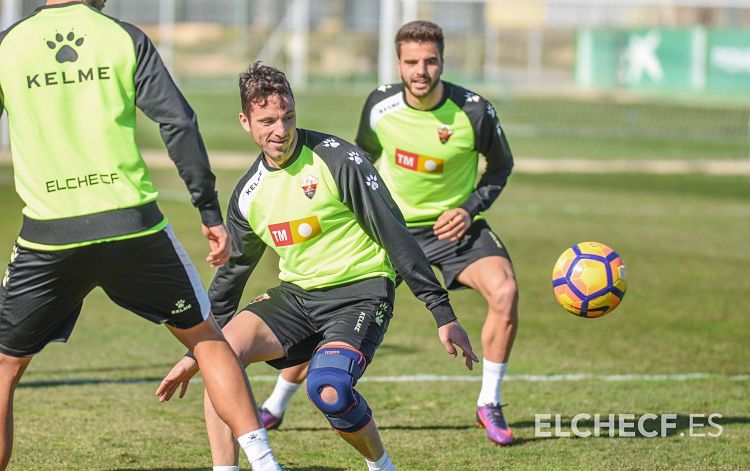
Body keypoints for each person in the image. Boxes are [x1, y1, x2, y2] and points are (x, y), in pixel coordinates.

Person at [155, 62, 477, 471]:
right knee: (220, 354)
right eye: (267, 120)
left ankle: (382, 466)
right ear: (245, 121)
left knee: (330, 389)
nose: (281, 130)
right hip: (298, 296)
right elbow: (234, 274)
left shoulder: (338, 160)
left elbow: (395, 234)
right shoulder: (248, 195)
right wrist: (195, 349)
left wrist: (441, 312)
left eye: (288, 117)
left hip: (361, 291)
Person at [0, 2, 281, 470]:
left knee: (4, 369)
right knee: (206, 339)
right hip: (131, 225)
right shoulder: (122, 37)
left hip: (50, 233)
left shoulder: (9, 45)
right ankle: (265, 463)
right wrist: (209, 211)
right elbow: (178, 122)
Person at [257, 20, 518, 446]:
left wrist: (469, 209)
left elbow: (501, 166)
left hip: (455, 229)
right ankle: (275, 403)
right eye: (412, 61)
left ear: (442, 62)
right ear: (398, 63)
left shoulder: (474, 110)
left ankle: (489, 402)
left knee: (505, 291)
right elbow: (357, 162)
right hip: (389, 229)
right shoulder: (379, 104)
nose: (421, 71)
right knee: (331, 305)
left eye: (430, 61)